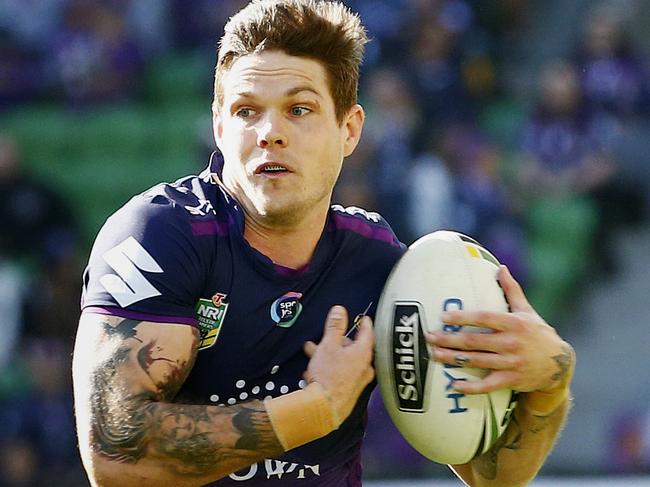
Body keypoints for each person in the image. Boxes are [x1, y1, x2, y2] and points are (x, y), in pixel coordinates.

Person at [72, 1, 575, 486]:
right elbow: (115, 457)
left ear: (350, 129)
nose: (270, 132)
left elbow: (492, 476)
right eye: (247, 111)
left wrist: (548, 385)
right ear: (219, 128)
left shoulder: (378, 263)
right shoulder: (160, 235)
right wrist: (315, 409)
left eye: (299, 109)